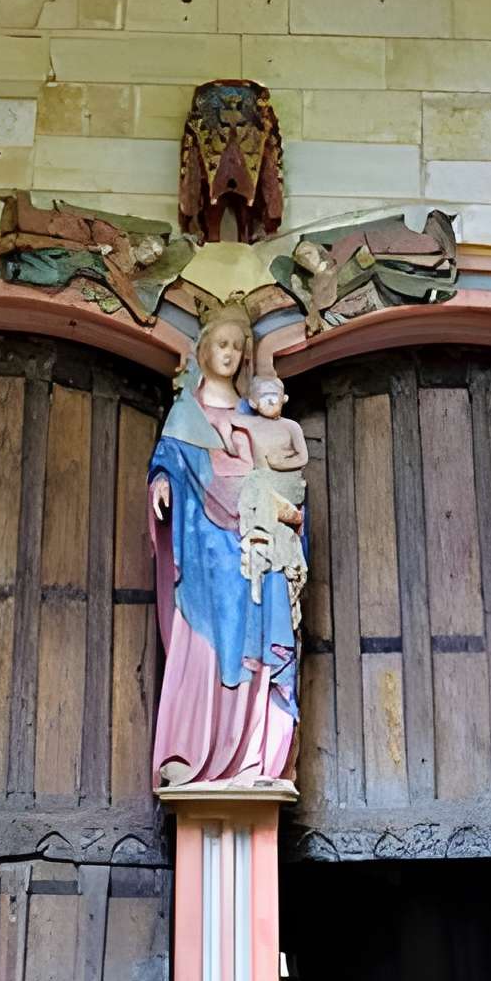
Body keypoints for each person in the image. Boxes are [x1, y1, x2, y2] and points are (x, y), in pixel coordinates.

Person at [148, 310, 299, 788]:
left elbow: (284, 475)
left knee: (256, 639)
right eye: (222, 345)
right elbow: (167, 461)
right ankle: (195, 749)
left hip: (251, 545)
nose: (230, 354)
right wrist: (161, 483)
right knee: (207, 643)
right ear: (203, 350)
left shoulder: (254, 415)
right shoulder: (185, 415)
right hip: (204, 547)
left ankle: (255, 753)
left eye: (238, 347)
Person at [226, 374, 308, 635]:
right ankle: (257, 542)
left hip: (287, 483)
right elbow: (222, 418)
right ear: (253, 401)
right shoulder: (249, 424)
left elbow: (302, 457)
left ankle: (262, 539)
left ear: (284, 399)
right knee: (254, 484)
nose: (270, 400)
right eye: (264, 396)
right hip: (261, 482)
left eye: (275, 395)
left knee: (259, 482)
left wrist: (280, 462)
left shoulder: (291, 427)